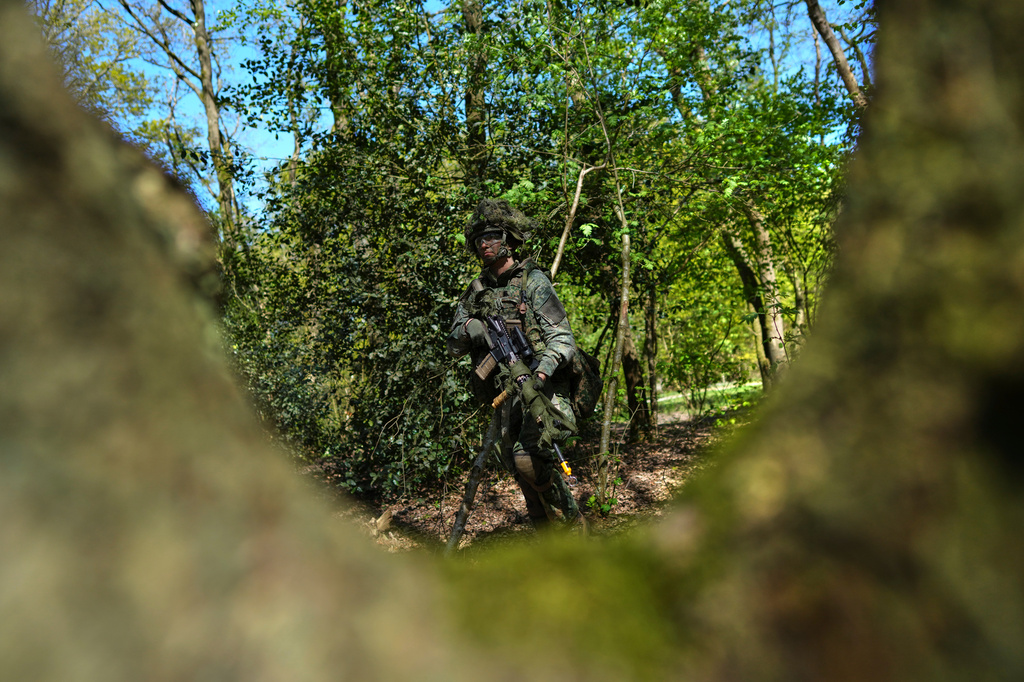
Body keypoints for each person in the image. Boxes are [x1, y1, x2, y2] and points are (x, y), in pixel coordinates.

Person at [447, 198, 586, 531]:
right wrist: (471, 328)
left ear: (508, 239)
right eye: (479, 239)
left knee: (527, 459)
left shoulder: (533, 282)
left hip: (543, 386)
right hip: (506, 391)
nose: (485, 244)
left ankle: (573, 520)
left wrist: (540, 372)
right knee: (516, 466)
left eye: (492, 236)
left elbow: (563, 340)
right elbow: (453, 342)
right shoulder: (477, 290)